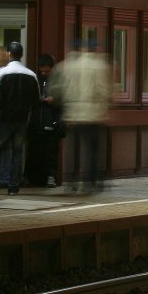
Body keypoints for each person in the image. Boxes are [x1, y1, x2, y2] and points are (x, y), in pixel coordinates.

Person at [0, 42, 39, 195]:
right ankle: (13, 186)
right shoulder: (31, 75)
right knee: (18, 153)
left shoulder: (1, 73)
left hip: (3, 119)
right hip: (22, 120)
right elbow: (36, 100)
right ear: (21, 55)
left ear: (9, 54)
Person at [48, 42, 111, 192]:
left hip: (72, 113)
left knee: (73, 148)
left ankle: (72, 180)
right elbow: (103, 90)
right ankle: (91, 181)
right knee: (92, 149)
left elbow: (55, 89)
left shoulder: (65, 66)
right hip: (93, 113)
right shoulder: (99, 66)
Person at [26, 54, 63, 188]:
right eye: (42, 70)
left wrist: (55, 100)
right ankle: (34, 178)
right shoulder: (35, 79)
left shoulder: (60, 80)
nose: (44, 73)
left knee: (51, 151)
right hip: (37, 121)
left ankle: (50, 177)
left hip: (52, 119)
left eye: (47, 71)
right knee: (35, 150)